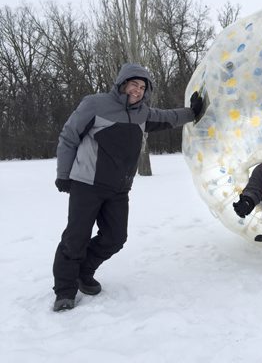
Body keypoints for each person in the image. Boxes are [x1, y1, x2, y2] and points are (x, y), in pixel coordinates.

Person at [52, 63, 203, 312]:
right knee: (75, 238)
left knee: (115, 237)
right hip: (87, 184)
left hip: (118, 189)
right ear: (122, 83)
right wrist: (63, 174)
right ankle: (65, 291)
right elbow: (69, 136)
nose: (138, 90)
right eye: (134, 84)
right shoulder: (95, 104)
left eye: (143, 87)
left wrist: (193, 112)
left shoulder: (142, 113)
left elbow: (168, 118)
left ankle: (84, 272)